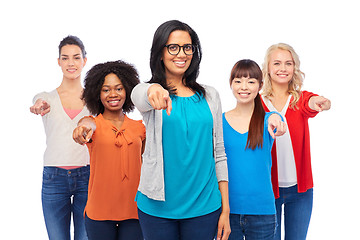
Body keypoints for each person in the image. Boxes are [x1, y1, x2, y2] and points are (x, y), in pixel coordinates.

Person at [130, 20, 231, 240]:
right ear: (160, 53)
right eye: (173, 47)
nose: (181, 54)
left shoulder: (210, 95)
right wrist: (154, 89)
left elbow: (219, 153)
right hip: (157, 209)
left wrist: (225, 209)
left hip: (205, 206)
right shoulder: (153, 96)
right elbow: (138, 94)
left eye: (188, 47)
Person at [261, 43, 331, 240]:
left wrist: (320, 102)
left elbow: (311, 102)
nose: (282, 68)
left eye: (288, 63)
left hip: (301, 191)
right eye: (276, 63)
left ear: (294, 68)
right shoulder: (257, 103)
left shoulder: (299, 99)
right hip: (268, 190)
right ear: (267, 68)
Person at [72, 60, 145, 240]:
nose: (113, 94)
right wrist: (81, 129)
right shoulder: (93, 123)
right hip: (99, 212)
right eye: (106, 89)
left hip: (134, 210)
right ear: (97, 93)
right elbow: (86, 124)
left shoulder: (140, 127)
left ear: (127, 91)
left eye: (119, 88)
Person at [29, 35, 90, 240]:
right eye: (65, 58)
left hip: (88, 177)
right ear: (58, 62)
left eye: (76, 57)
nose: (71, 63)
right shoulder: (46, 97)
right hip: (54, 179)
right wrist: (39, 106)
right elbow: (39, 101)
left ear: (84, 60)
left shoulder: (94, 99)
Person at [223, 59, 286, 240]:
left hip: (262, 212)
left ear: (260, 85)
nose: (244, 87)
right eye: (238, 81)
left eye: (251, 81)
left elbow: (277, 120)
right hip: (227, 211)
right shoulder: (219, 122)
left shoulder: (268, 120)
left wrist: (276, 118)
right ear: (231, 84)